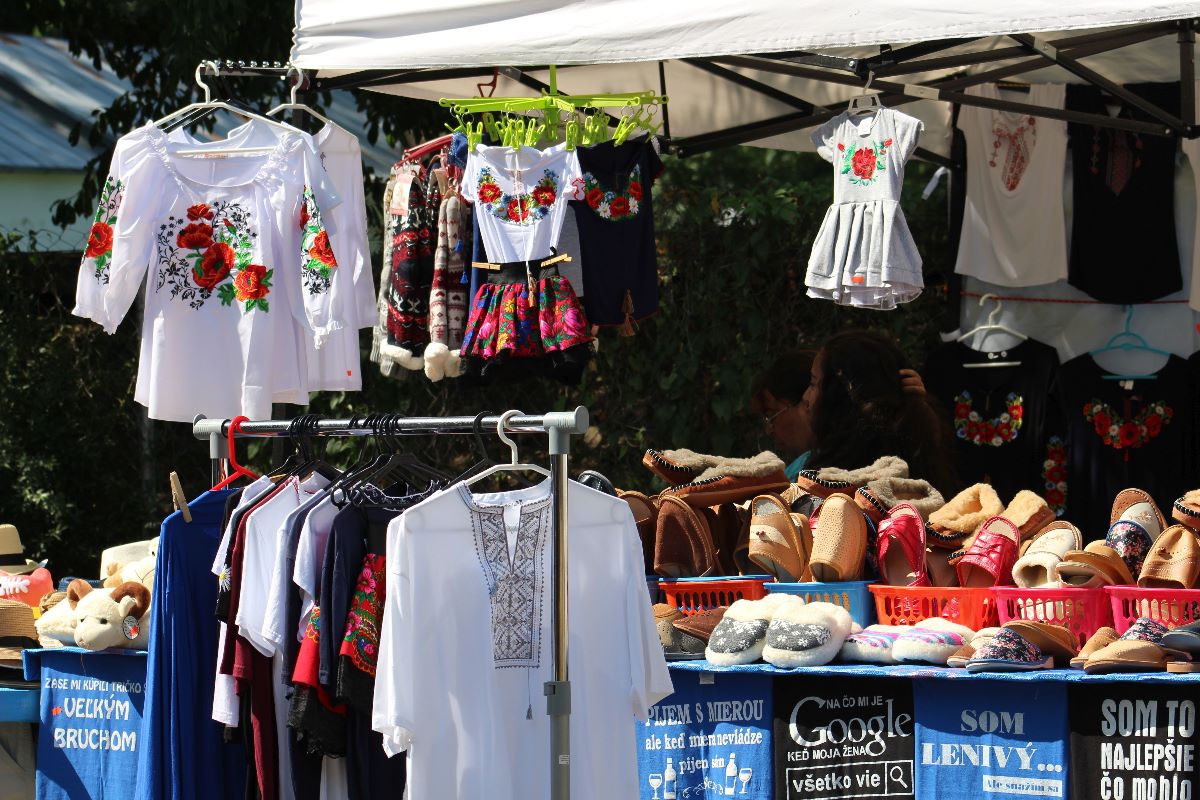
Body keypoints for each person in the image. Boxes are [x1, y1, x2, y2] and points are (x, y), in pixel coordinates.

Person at [802, 330, 959, 495]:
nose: (805, 397)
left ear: (839, 397)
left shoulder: (836, 491)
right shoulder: (922, 454)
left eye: (813, 383)